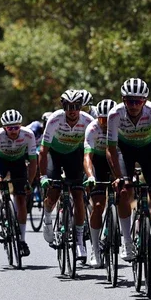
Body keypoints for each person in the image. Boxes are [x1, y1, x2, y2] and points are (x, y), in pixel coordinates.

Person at [106, 78, 151, 265]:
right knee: (124, 192)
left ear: (144, 101)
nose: (134, 105)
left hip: (149, 151)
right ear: (123, 100)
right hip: (125, 151)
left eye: (138, 101)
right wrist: (118, 177)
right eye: (130, 101)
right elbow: (111, 149)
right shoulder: (115, 114)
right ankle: (127, 242)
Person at [39, 89, 95, 261]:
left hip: (74, 156)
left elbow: (93, 148)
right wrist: (43, 176)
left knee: (78, 195)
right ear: (63, 107)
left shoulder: (88, 121)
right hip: (54, 155)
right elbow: (43, 151)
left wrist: (92, 174)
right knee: (53, 193)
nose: (72, 110)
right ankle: (47, 219)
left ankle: (79, 241)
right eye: (69, 106)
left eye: (76, 106)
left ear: (81, 107)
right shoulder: (54, 119)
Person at [0, 109, 38, 257]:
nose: (13, 131)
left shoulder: (28, 135)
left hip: (19, 162)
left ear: (20, 126)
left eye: (16, 127)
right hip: (0, 161)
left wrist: (29, 183)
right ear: (4, 128)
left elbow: (33, 162)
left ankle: (22, 240)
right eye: (9, 128)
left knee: (21, 200)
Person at [83, 98, 117, 267]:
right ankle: (95, 249)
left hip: (115, 161)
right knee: (97, 206)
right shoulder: (92, 128)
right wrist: (90, 176)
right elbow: (87, 156)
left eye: (109, 120)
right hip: (97, 163)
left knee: (125, 194)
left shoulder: (120, 126)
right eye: (102, 120)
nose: (106, 124)